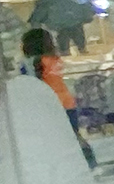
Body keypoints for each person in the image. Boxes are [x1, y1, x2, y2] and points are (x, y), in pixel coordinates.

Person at [19, 26, 97, 171]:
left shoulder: (31, 63)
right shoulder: (53, 59)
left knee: (55, 136)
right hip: (66, 102)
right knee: (73, 134)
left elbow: (30, 83)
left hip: (48, 104)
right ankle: (89, 161)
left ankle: (81, 163)